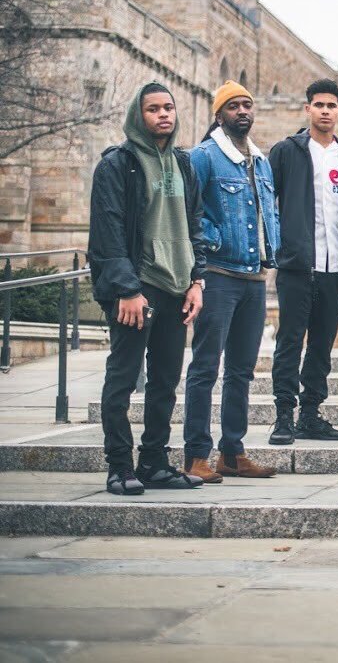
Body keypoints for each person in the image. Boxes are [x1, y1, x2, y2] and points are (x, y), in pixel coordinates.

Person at [88, 82, 207, 495]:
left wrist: (197, 281)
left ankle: (155, 461)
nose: (164, 115)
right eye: (154, 108)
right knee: (122, 380)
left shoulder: (183, 164)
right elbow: (108, 232)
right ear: (138, 116)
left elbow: (194, 227)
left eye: (169, 108)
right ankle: (119, 467)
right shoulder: (117, 165)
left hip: (177, 288)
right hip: (137, 289)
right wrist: (126, 288)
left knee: (164, 381)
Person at [184, 80, 281, 482]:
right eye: (234, 106)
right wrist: (210, 245)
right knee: (206, 367)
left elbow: (266, 212)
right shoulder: (204, 156)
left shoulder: (260, 160)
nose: (243, 111)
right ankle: (195, 456)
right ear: (219, 113)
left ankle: (233, 452)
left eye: (247, 104)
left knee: (242, 370)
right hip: (219, 276)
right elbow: (189, 212)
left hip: (254, 276)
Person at [267, 79, 338, 445]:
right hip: (298, 264)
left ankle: (310, 414)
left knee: (322, 345)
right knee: (290, 341)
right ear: (308, 109)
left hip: (336, 264)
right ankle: (283, 416)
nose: (325, 110)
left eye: (331, 105)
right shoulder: (287, 151)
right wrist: (277, 246)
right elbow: (269, 201)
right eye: (319, 104)